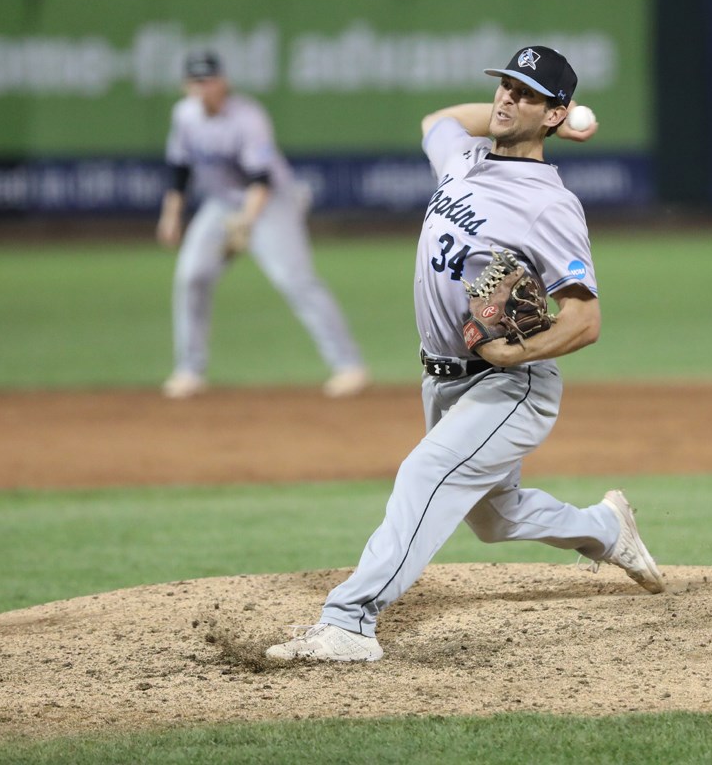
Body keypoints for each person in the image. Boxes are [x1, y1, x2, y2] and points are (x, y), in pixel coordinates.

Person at [267, 45, 664, 663]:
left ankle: (349, 622)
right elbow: (436, 122)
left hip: (511, 386)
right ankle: (607, 530)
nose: (506, 98)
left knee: (424, 475)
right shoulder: (464, 159)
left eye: (526, 93)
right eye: (505, 86)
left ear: (557, 116)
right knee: (493, 517)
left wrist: (516, 354)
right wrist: (520, 112)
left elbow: (585, 321)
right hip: (443, 381)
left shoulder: (550, 205)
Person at [156, 51, 368, 399]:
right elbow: (178, 171)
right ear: (185, 85)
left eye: (208, 79)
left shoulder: (247, 117)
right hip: (221, 204)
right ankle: (189, 370)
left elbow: (261, 179)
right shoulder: (184, 116)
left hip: (271, 204)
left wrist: (245, 224)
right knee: (191, 276)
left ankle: (349, 365)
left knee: (294, 279)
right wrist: (171, 214)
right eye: (195, 80)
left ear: (223, 82)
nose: (202, 87)